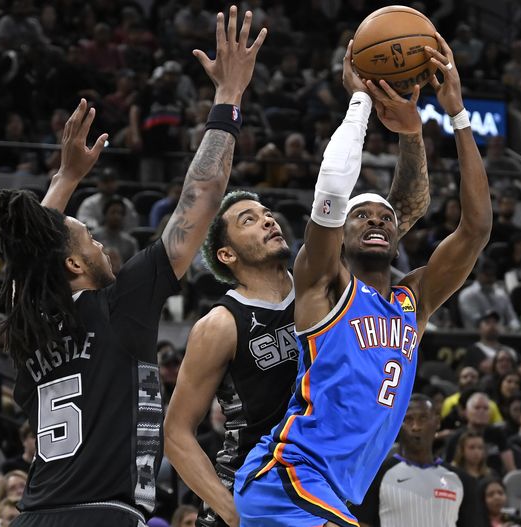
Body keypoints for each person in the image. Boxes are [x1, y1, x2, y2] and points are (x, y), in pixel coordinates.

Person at [0, 8, 266, 526]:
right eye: (92, 240)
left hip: (33, 515)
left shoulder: (29, 331)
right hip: (102, 514)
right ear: (73, 263)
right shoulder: (117, 306)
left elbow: (27, 265)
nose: (105, 246)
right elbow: (203, 194)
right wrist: (228, 101)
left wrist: (63, 180)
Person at [164, 31, 431, 527]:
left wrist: (411, 134)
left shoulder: (329, 281)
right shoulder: (222, 323)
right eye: (248, 219)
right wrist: (227, 510)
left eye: (266, 212)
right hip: (253, 491)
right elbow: (177, 433)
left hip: (315, 487)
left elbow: (404, 209)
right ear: (225, 253)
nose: (266, 219)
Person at [234, 34, 492, 527]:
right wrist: (359, 101)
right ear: (341, 234)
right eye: (361, 217)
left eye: (385, 217)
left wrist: (457, 117)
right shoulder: (322, 285)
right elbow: (332, 186)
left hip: (331, 491)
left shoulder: (413, 299)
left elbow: (476, 229)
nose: (376, 221)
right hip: (288, 479)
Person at [351, 395, 467, 527]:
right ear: (397, 423)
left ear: (437, 422)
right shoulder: (374, 476)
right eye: (408, 419)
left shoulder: (459, 480)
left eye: (423, 418)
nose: (416, 427)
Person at [444, 393, 516, 477]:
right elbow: (449, 469)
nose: (481, 411)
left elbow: (511, 468)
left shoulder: (498, 434)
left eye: (486, 408)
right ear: (466, 412)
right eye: (477, 408)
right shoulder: (455, 438)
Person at [458, 260, 521, 331]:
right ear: (478, 274)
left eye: (492, 275)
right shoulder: (467, 294)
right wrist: (496, 328)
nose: (490, 279)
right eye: (487, 275)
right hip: (474, 336)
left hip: (502, 336)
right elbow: (476, 320)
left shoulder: (501, 294)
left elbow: (512, 318)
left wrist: (515, 328)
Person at [91, 196, 139, 267]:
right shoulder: (92, 237)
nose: (117, 216)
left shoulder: (130, 242)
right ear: (105, 214)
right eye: (113, 212)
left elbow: (135, 267)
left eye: (120, 213)